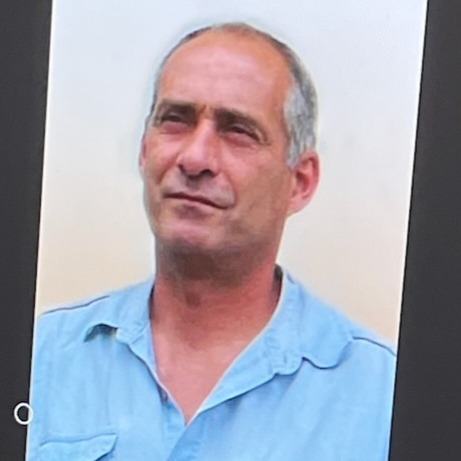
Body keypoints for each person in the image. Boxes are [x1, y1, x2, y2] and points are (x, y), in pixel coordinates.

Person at [27, 22, 396, 461]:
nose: (195, 158)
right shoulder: (40, 360)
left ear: (300, 181)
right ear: (144, 150)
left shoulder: (384, 400)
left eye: (238, 130)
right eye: (175, 120)